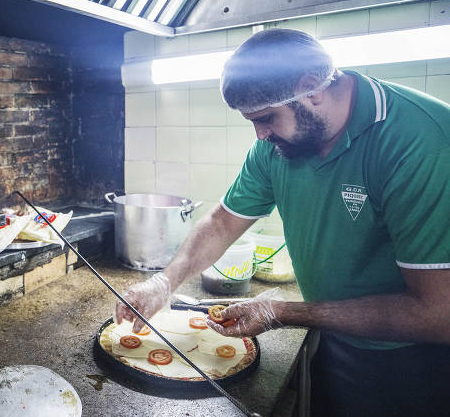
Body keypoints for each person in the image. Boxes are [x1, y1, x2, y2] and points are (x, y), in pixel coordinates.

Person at [115, 29, 450, 416]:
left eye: (267, 118)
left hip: (415, 359)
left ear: (311, 89)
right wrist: (164, 282)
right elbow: (224, 221)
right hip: (332, 332)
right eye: (252, 121)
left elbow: (438, 314)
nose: (260, 134)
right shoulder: (277, 146)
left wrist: (282, 312)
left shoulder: (419, 143)